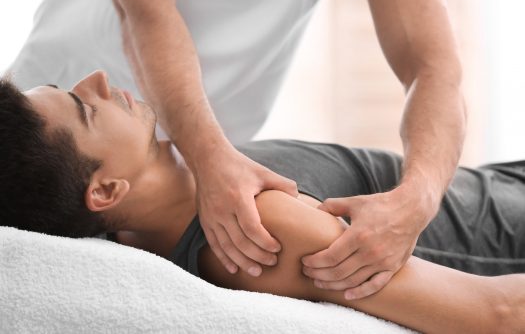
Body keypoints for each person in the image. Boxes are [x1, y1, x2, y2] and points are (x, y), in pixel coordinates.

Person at [7, 0, 466, 298]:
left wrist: (418, 198)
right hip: (60, 138)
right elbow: (146, 13)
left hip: (201, 162)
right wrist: (210, 158)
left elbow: (433, 67)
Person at [0, 71, 522, 332]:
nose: (95, 79)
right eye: (83, 108)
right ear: (107, 191)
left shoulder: (166, 200)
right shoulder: (258, 232)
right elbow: (496, 312)